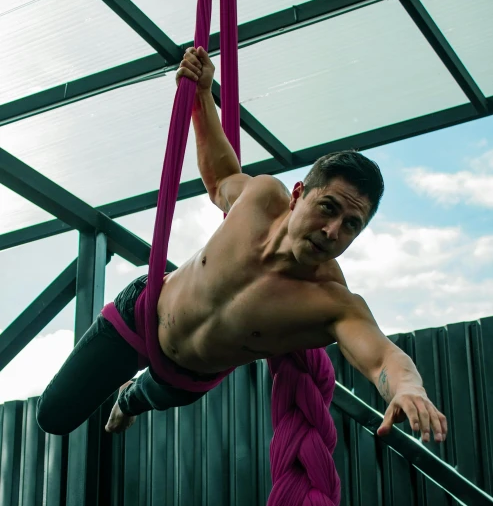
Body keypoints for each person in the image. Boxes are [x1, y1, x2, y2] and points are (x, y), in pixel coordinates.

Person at [36, 47, 447, 445]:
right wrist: (200, 95)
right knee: (53, 417)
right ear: (299, 193)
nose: (332, 230)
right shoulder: (261, 197)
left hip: (185, 376)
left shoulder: (333, 303)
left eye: (351, 225)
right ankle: (128, 391)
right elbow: (220, 178)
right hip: (141, 316)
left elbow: (382, 357)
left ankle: (130, 398)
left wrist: (409, 389)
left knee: (138, 398)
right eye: (328, 208)